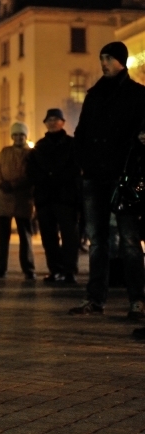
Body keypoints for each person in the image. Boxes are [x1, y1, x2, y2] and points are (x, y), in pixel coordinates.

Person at [70, 41, 145, 320]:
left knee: (129, 240)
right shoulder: (94, 95)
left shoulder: (138, 95)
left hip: (123, 176)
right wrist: (84, 164)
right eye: (102, 58)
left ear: (122, 61)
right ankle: (95, 299)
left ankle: (137, 299)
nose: (104, 64)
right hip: (94, 176)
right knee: (97, 241)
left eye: (109, 58)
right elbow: (81, 133)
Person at [26, 108, 81, 284]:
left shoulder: (72, 144)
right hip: (45, 198)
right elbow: (31, 172)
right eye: (49, 120)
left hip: (66, 198)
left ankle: (69, 270)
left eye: (56, 119)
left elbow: (75, 170)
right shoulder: (39, 147)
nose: (52, 122)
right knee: (48, 237)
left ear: (62, 122)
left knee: (69, 237)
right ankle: (55, 270)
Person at [0, 122, 36, 280]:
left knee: (25, 236)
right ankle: (0, 268)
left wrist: (15, 184)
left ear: (25, 136)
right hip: (4, 199)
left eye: (21, 135)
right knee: (2, 238)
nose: (18, 137)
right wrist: (1, 183)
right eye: (15, 135)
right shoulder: (4, 152)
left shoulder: (31, 154)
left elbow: (31, 175)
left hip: (23, 200)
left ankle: (28, 268)